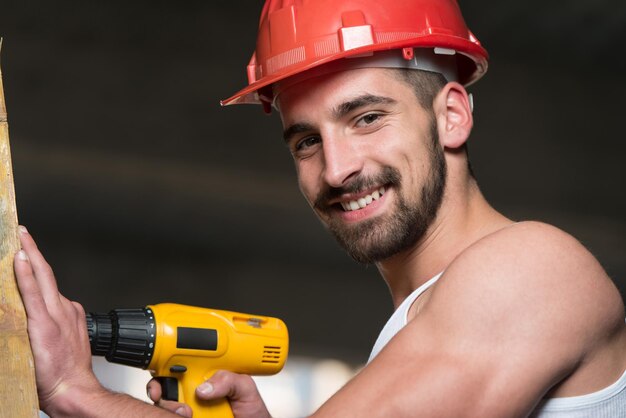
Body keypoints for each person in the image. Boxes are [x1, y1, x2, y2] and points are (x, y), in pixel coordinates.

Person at [14, 0, 626, 417]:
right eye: (307, 140)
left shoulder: (533, 271)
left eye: (366, 118)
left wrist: (77, 392)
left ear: (451, 115)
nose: (336, 169)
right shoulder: (427, 327)